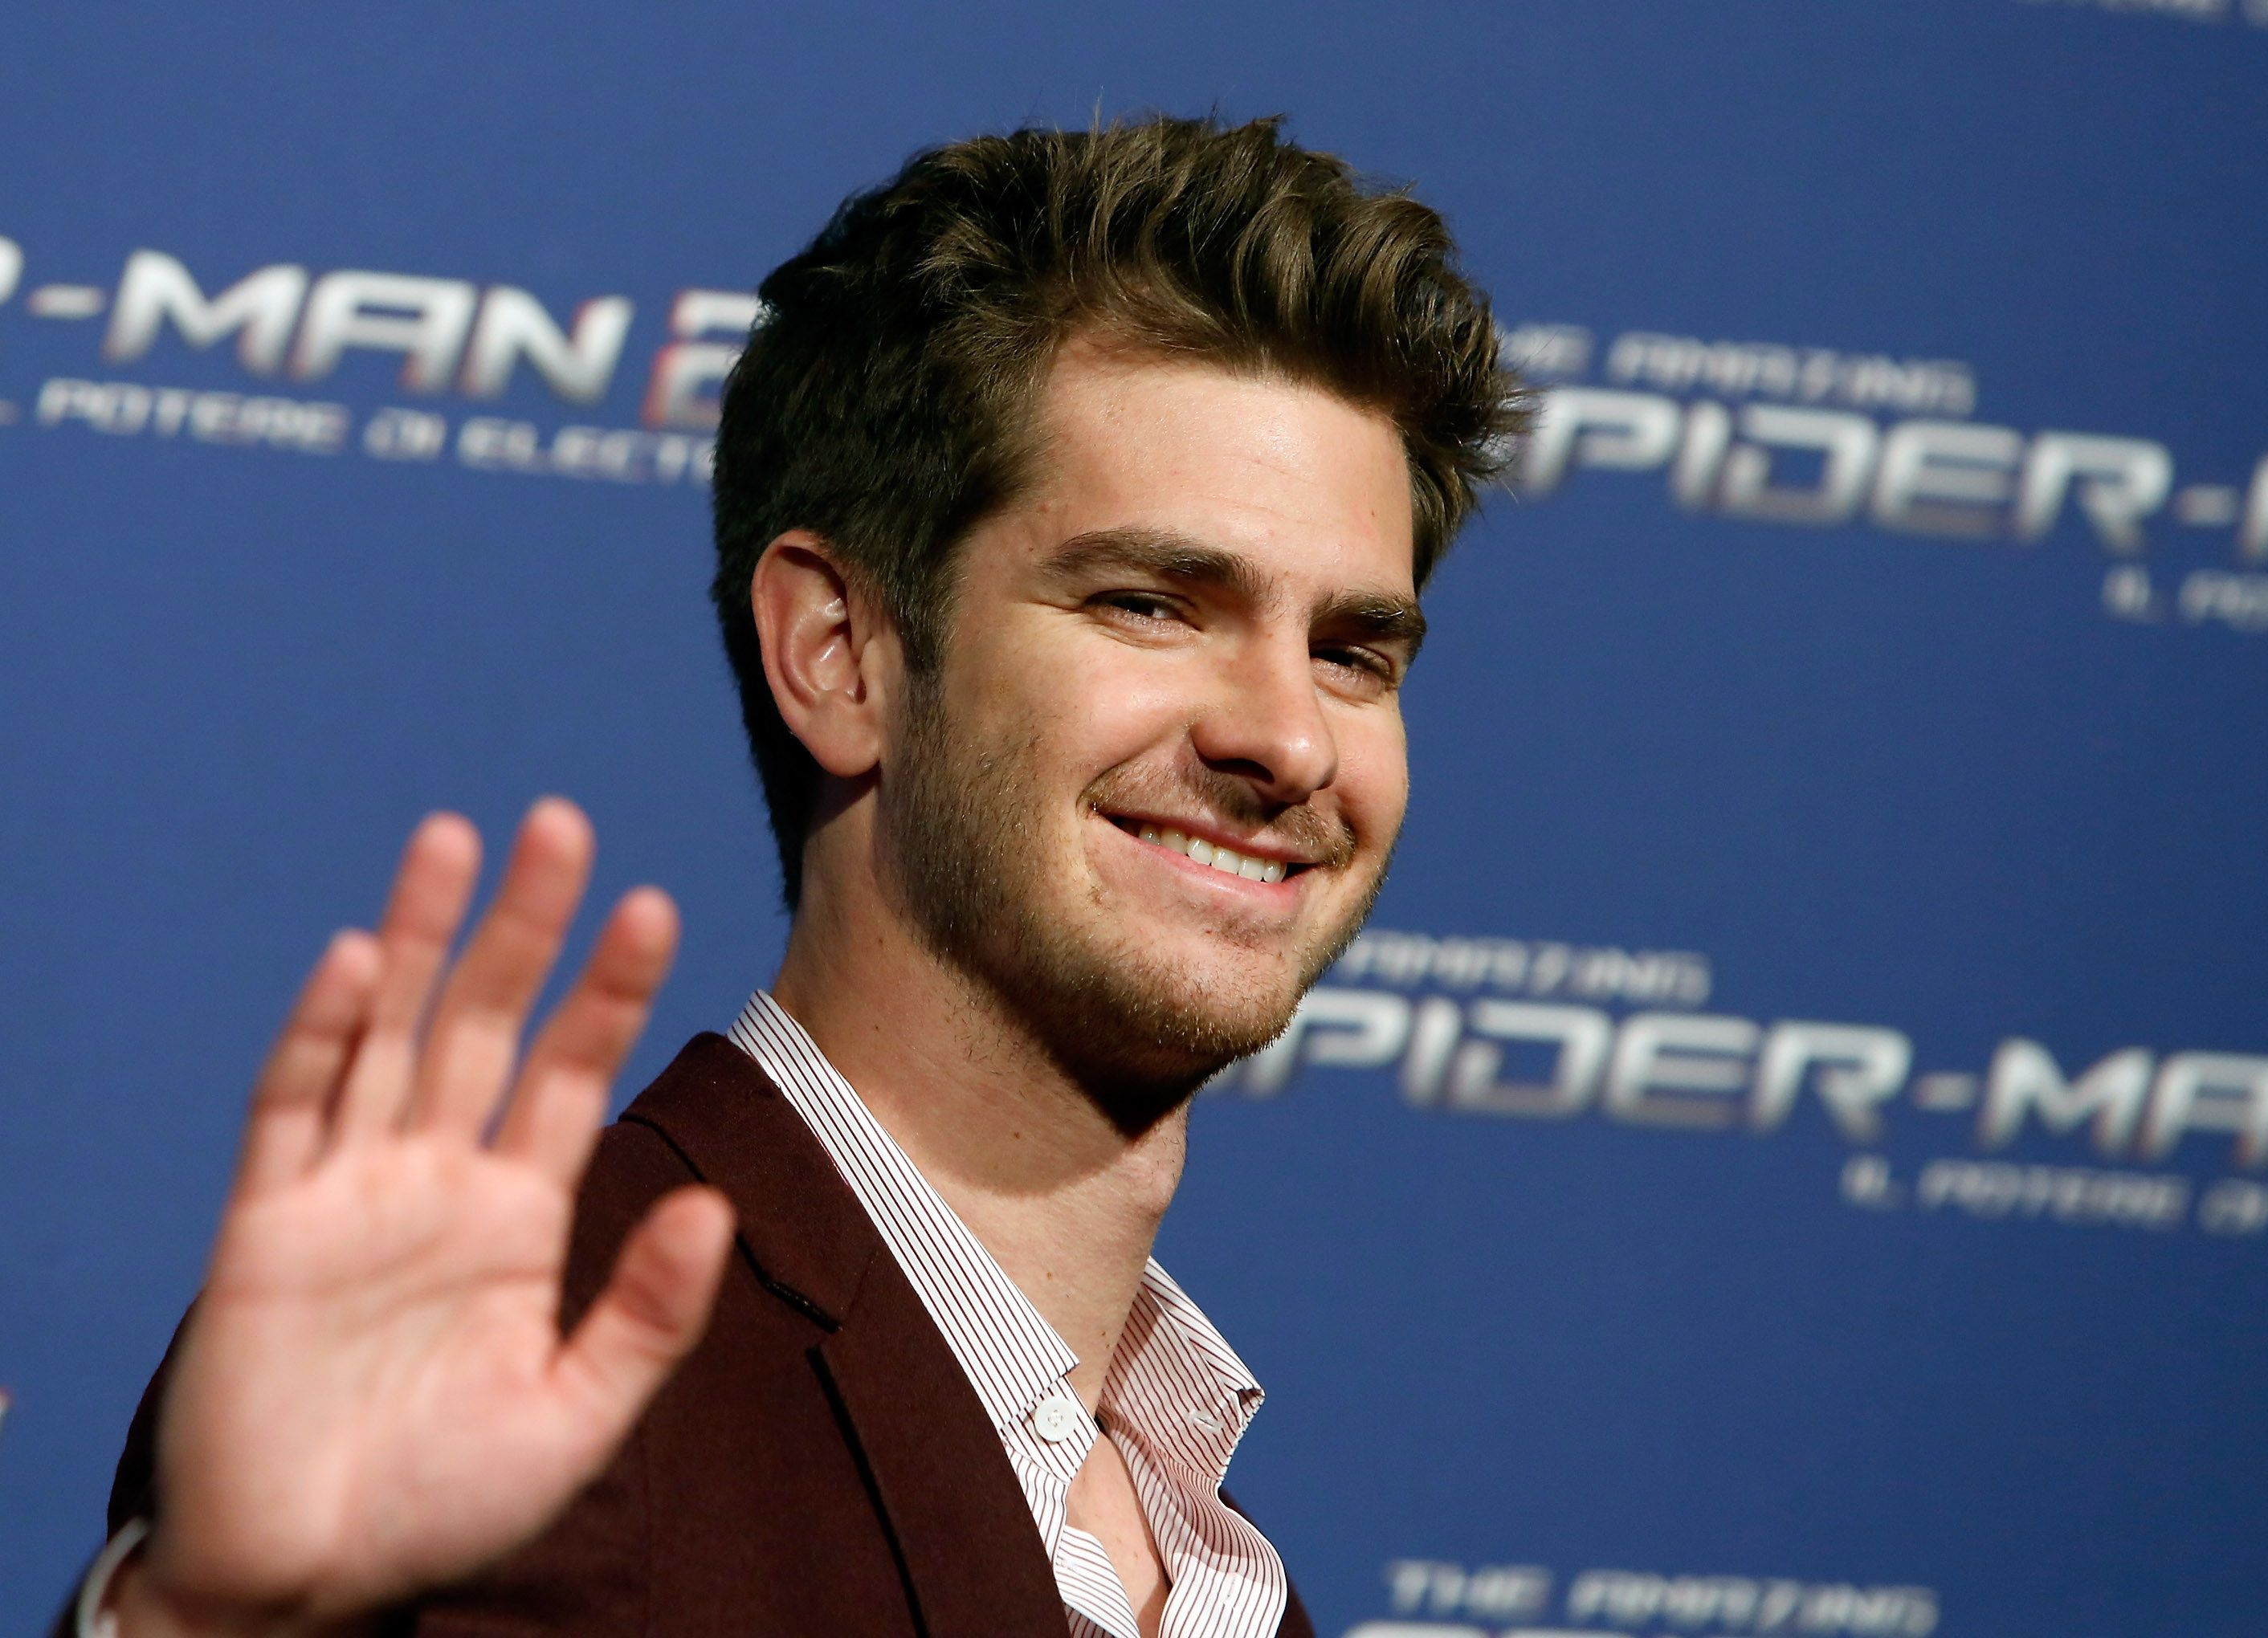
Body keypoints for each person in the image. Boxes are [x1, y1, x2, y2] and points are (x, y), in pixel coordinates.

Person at [67, 113, 1519, 1638]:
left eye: (1354, 653)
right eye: (1152, 604)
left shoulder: (1215, 1566)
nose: (1289, 737)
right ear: (840, 657)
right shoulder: (522, 1373)